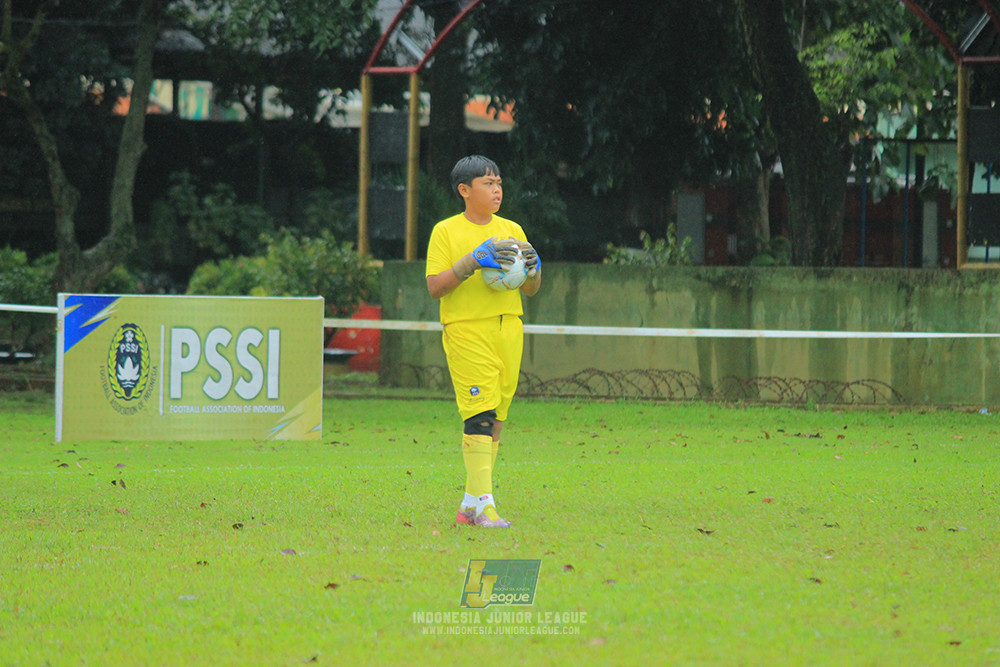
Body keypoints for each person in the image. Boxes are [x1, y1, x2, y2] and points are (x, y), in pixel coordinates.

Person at [425, 155, 541, 528]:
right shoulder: (445, 231)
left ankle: (468, 506)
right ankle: (487, 508)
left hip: (509, 328)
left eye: (499, 183)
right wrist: (472, 261)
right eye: (488, 184)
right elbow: (435, 287)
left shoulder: (512, 228)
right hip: (466, 329)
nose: (497, 190)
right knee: (479, 414)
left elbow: (531, 289)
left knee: (497, 419)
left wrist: (534, 270)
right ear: (464, 190)